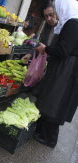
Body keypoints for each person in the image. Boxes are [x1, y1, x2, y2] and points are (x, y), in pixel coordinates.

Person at [33, 0, 78, 148]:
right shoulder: (70, 22)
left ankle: (50, 139)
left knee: (56, 100)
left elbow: (63, 50)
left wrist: (46, 49)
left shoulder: (72, 23)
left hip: (67, 69)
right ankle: (44, 133)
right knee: (54, 99)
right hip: (67, 67)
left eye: (56, 9)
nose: (56, 14)